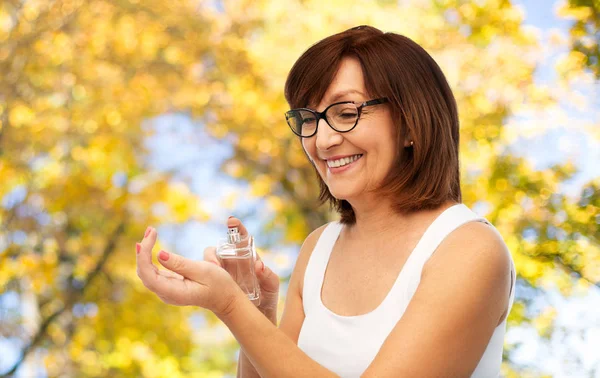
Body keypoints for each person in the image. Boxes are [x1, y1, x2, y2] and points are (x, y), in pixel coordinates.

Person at [136, 25, 516, 377]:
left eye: (346, 112)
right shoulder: (319, 248)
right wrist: (256, 312)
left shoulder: (470, 249)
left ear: (411, 123)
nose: (322, 140)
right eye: (309, 118)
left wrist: (231, 307)